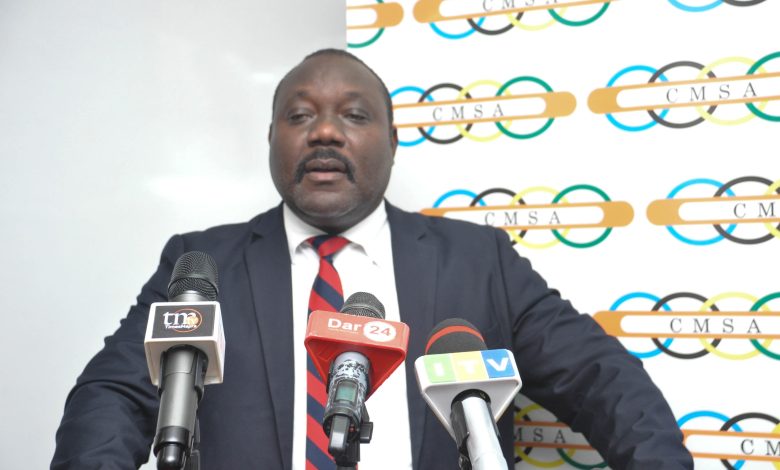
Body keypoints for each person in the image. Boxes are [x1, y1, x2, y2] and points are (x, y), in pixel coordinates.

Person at [52, 49, 694, 470]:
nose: (325, 131)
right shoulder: (202, 263)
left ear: (392, 140)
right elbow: (112, 396)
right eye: (299, 115)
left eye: (354, 115)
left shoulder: (478, 260)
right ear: (271, 139)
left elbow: (600, 379)